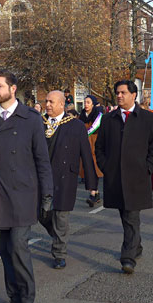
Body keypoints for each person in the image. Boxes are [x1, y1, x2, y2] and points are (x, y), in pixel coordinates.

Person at [0, 70, 53, 303]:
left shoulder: (30, 118)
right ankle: (13, 299)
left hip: (22, 194)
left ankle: (28, 301)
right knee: (5, 251)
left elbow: (42, 159)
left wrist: (47, 194)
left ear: (13, 88)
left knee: (19, 248)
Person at [95, 80, 153, 274]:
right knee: (125, 215)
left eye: (123, 92)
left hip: (137, 178)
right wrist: (106, 167)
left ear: (134, 95)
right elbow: (99, 147)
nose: (119, 96)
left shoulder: (148, 119)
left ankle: (127, 257)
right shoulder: (109, 119)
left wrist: (148, 168)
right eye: (117, 92)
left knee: (131, 215)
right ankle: (137, 246)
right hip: (115, 178)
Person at [39, 91, 98, 269]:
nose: (47, 104)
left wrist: (91, 184)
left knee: (61, 216)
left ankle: (59, 253)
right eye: (46, 101)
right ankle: (57, 234)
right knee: (41, 213)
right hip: (43, 177)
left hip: (65, 176)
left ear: (61, 105)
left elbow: (86, 154)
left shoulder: (76, 125)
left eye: (51, 102)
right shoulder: (38, 124)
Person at [78, 94, 104, 206]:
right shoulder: (82, 115)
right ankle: (95, 193)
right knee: (87, 169)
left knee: (93, 168)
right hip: (85, 144)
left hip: (95, 143)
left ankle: (93, 194)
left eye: (88, 102)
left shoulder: (98, 115)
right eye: (85, 102)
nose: (86, 104)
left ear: (93, 104)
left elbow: (94, 128)